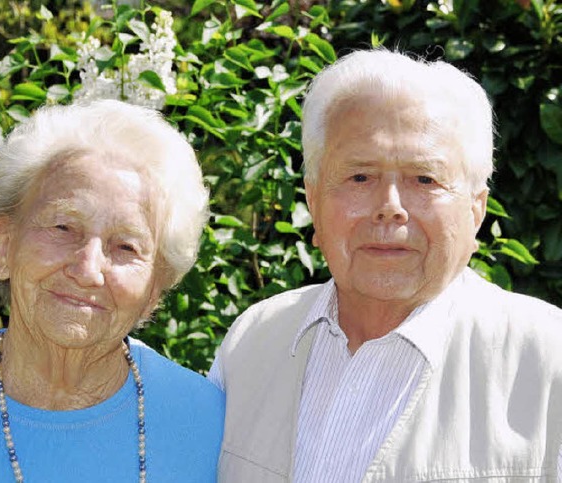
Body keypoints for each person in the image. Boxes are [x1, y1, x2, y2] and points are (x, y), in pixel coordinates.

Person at [209, 49, 562, 482]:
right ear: (313, 201)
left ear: (476, 209)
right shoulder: (252, 344)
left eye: (424, 179)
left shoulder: (548, 362)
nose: (389, 208)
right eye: (360, 177)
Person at [0, 100, 224, 482]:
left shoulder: (211, 426)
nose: (87, 270)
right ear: (4, 246)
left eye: (126, 247)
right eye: (63, 228)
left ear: (153, 293)